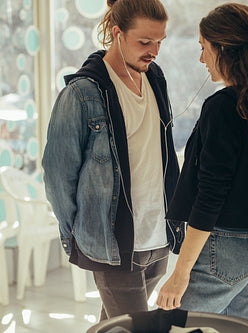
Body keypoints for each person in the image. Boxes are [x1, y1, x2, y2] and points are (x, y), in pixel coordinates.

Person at [156, 2, 248, 324]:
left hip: (222, 249)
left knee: (175, 327)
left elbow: (211, 194)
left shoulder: (222, 107)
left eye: (204, 48)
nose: (201, 59)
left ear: (223, 49)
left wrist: (180, 273)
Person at [42, 0, 182, 321]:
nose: (154, 51)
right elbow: (57, 177)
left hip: (158, 236)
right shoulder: (81, 93)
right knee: (134, 327)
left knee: (114, 325)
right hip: (114, 244)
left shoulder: (154, 77)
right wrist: (81, 233)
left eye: (159, 41)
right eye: (144, 42)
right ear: (117, 33)